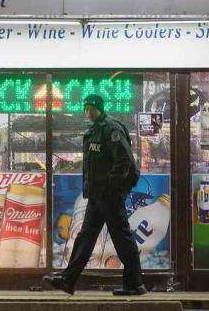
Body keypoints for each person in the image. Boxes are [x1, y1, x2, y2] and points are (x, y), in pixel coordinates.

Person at [43, 94, 146, 296]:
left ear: (99, 108)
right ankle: (68, 279)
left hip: (108, 195)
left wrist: (112, 186)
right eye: (85, 108)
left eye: (91, 108)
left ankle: (135, 284)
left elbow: (124, 161)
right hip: (97, 195)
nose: (87, 112)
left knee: (121, 237)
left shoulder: (111, 128)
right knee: (86, 237)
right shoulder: (94, 130)